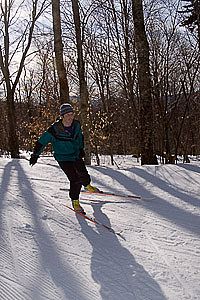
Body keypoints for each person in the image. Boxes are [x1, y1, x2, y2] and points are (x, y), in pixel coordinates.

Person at [29, 103, 99, 214]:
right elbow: (41, 142)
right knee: (75, 179)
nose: (70, 117)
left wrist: (81, 149)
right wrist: (35, 155)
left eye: (72, 114)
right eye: (67, 115)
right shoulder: (54, 130)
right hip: (63, 158)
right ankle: (75, 201)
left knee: (83, 173)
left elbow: (80, 137)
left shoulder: (76, 125)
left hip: (75, 154)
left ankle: (87, 186)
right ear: (62, 116)